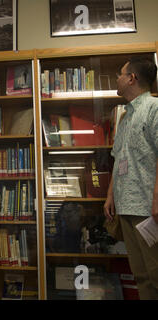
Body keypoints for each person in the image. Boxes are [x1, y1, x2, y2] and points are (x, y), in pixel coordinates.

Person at [104, 57, 158, 300]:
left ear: (131, 78)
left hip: (149, 210)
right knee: (141, 275)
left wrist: (157, 201)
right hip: (127, 208)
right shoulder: (125, 117)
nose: (117, 78)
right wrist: (109, 196)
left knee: (156, 274)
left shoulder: (154, 109)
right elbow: (119, 159)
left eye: (120, 73)